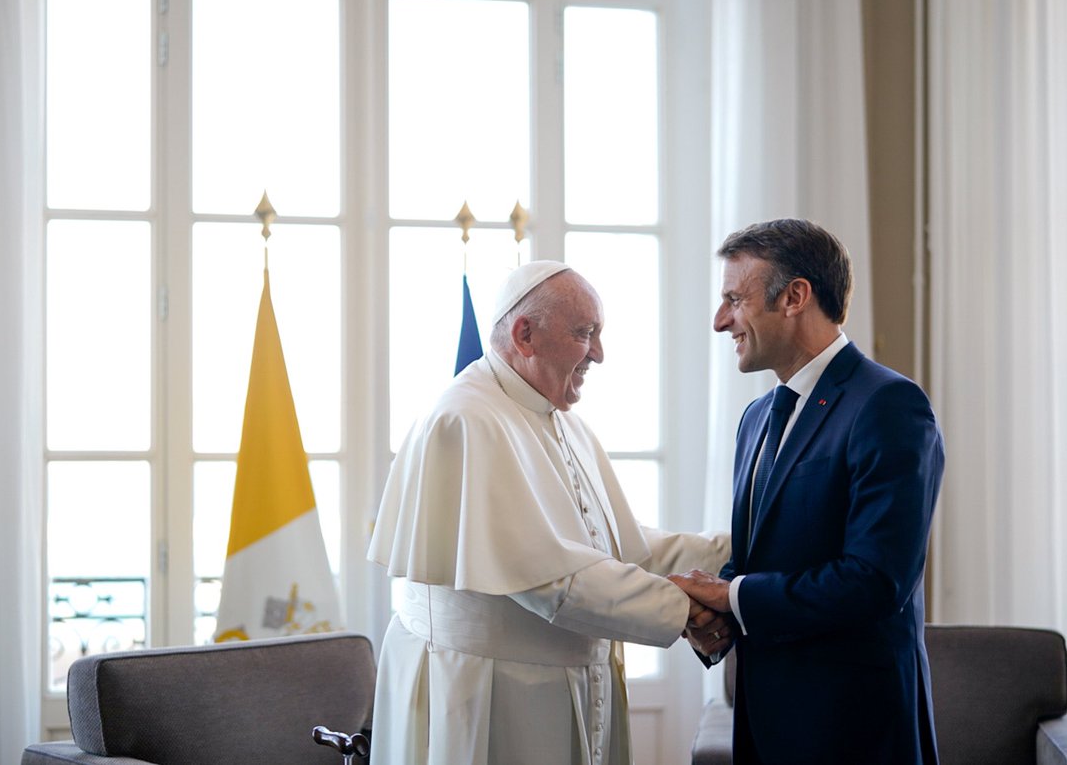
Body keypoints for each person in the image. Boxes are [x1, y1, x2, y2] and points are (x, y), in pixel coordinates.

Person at [367, 260, 731, 765]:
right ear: (525, 334)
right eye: (586, 334)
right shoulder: (466, 419)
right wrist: (686, 607)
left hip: (568, 683)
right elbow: (548, 581)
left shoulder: (564, 420)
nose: (599, 354)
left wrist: (736, 552)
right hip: (492, 696)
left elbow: (621, 546)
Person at [677, 218, 944, 764]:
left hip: (854, 729)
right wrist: (720, 618)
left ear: (795, 296)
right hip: (764, 724)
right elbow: (761, 557)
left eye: (734, 298)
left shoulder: (890, 405)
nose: (719, 320)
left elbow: (874, 580)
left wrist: (733, 597)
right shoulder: (755, 418)